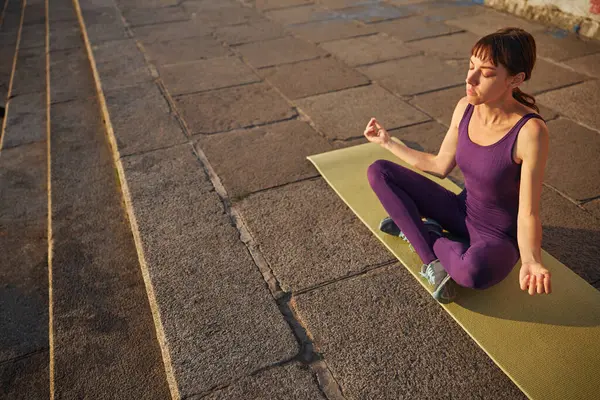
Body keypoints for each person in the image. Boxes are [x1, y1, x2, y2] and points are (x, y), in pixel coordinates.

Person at [364, 27, 552, 303]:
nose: (471, 78)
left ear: (516, 79)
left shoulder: (530, 132)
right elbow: (440, 165)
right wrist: (387, 142)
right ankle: (432, 259)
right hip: (460, 210)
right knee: (379, 171)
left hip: (498, 235)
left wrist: (531, 260)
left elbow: (529, 212)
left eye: (486, 73)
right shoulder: (465, 107)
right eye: (470, 66)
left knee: (473, 273)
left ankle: (424, 230)